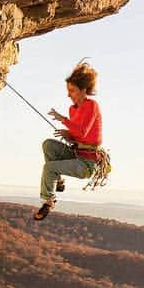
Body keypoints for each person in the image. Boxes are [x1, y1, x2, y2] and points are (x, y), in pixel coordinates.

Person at [33, 60, 102, 220]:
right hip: (76, 154)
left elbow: (83, 131)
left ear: (83, 90)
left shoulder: (92, 106)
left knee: (49, 168)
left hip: (86, 164)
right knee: (48, 145)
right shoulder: (73, 109)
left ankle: (49, 201)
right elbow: (78, 136)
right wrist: (68, 135)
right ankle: (59, 180)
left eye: (72, 90)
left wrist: (63, 119)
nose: (68, 94)